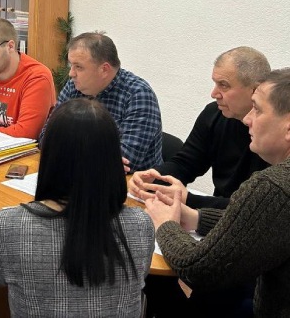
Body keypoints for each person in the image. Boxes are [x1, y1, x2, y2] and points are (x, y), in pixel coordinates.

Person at [0, 98, 154, 317]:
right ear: (112, 159)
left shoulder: (4, 226)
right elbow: (142, 274)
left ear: (49, 157)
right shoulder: (141, 224)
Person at [146, 68, 290, 317]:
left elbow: (198, 269)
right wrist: (197, 217)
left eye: (257, 109)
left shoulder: (273, 186)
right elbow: (262, 223)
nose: (248, 119)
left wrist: (165, 225)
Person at [128, 46, 271, 209]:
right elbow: (186, 163)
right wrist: (155, 176)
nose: (214, 93)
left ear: (255, 90)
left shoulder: (277, 133)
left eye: (224, 85)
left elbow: (259, 208)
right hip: (218, 214)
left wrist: (188, 199)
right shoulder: (214, 113)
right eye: (215, 83)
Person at [40, 31, 162, 171]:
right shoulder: (74, 86)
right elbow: (46, 138)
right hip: (78, 174)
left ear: (104, 70)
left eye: (78, 67)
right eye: (71, 65)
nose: (71, 73)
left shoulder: (138, 95)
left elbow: (126, 160)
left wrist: (67, 151)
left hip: (133, 182)